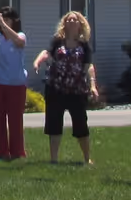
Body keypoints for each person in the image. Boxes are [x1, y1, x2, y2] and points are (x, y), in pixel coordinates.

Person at [33, 10, 99, 165]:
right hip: (56, 88)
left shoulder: (84, 45)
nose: (71, 21)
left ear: (80, 23)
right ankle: (54, 159)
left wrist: (93, 85)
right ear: (64, 23)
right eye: (68, 19)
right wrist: (37, 62)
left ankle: (86, 158)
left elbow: (88, 66)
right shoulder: (57, 41)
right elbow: (46, 53)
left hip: (76, 90)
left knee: (81, 124)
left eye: (74, 19)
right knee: (54, 124)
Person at [0, 5, 28, 161]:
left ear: (14, 21)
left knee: (15, 119)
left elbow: (19, 42)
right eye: (3, 18)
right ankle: (0, 152)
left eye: (7, 19)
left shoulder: (21, 35)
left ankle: (17, 152)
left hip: (16, 85)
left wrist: (3, 25)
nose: (4, 21)